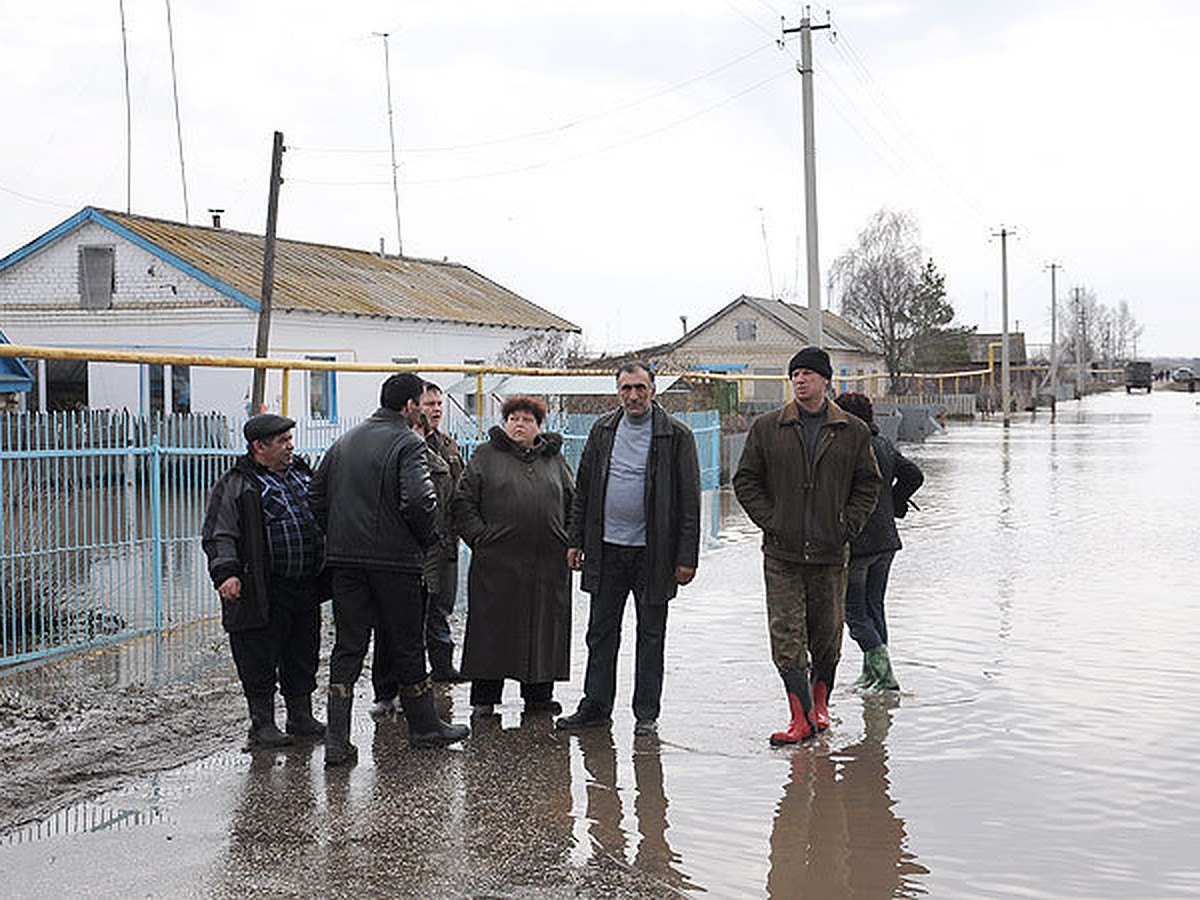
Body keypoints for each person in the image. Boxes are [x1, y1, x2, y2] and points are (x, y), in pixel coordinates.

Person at [310, 373, 468, 766]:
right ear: (410, 406)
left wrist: (340, 536)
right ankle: (425, 726)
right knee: (406, 642)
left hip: (345, 562)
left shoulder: (344, 441)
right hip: (395, 562)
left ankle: (337, 740)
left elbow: (315, 495)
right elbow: (418, 502)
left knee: (348, 647)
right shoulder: (407, 442)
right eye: (421, 402)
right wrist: (425, 538)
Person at [732, 347, 881, 744]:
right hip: (782, 553)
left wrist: (847, 523)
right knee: (786, 634)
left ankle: (820, 707)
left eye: (808, 374)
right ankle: (799, 718)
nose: (800, 380)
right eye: (795, 374)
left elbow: (869, 483)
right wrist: (773, 520)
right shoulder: (768, 427)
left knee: (827, 634)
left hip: (831, 553)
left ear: (825, 381)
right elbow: (745, 480)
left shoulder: (852, 431)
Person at [556, 362, 701, 737]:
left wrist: (686, 557)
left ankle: (646, 714)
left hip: (654, 554)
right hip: (606, 550)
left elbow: (689, 502)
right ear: (617, 392)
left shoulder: (676, 435)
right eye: (626, 389)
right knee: (601, 632)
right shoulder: (603, 430)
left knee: (651, 635)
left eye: (640, 388)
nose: (633, 396)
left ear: (653, 390)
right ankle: (596, 706)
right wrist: (576, 539)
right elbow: (584, 490)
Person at [202, 413, 327, 750]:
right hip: (260, 588)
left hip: (305, 585)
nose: (291, 446)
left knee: (302, 653)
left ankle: (300, 717)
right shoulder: (236, 484)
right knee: (258, 656)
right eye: (283, 441)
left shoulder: (302, 475)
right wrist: (226, 574)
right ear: (260, 446)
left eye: (290, 439)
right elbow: (218, 533)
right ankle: (262, 725)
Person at [451, 395, 575, 715]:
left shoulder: (555, 460)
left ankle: (538, 696)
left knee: (543, 628)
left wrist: (569, 540)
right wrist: (480, 538)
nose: (519, 425)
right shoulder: (486, 456)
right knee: (493, 629)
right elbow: (463, 502)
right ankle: (485, 698)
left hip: (547, 564)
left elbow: (574, 503)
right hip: (498, 563)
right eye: (513, 419)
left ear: (538, 426)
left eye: (527, 420)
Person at [369, 382, 465, 716]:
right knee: (403, 621)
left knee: (440, 607)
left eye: (440, 403)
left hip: (443, 542)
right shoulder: (400, 445)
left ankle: (438, 668)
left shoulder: (448, 445)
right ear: (413, 407)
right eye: (430, 403)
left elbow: (458, 493)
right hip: (409, 549)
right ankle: (399, 691)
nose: (436, 408)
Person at [834, 392, 924, 692]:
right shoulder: (884, 444)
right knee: (875, 608)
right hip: (886, 541)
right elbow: (914, 474)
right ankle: (872, 673)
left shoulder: (851, 447)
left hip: (859, 544)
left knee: (854, 613)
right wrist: (895, 504)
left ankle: (884, 674)